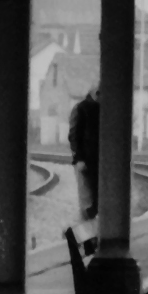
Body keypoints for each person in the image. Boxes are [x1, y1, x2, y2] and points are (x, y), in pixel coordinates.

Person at [67, 87, 102, 220]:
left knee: (94, 197)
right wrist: (78, 158)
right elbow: (74, 135)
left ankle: (93, 229)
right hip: (86, 161)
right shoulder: (81, 108)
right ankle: (88, 229)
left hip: (97, 161)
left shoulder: (100, 108)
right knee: (87, 199)